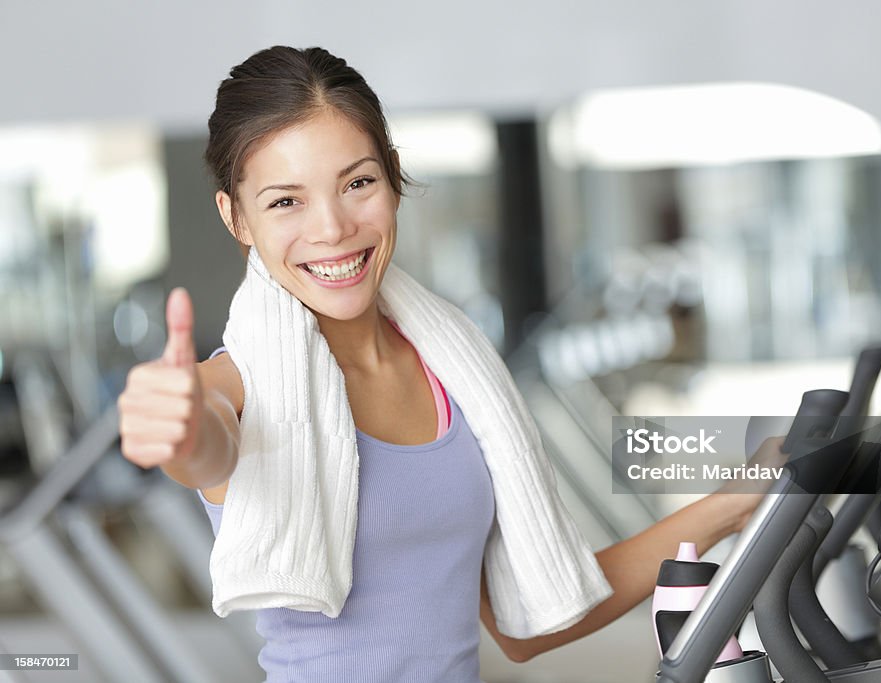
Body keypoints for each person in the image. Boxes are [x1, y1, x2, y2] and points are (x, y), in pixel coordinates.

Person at [116, 45, 784, 683]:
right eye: (286, 200)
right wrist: (181, 428)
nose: (332, 228)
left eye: (357, 182)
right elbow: (208, 444)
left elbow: (531, 624)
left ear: (393, 176)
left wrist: (732, 503)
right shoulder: (235, 385)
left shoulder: (451, 367)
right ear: (236, 218)